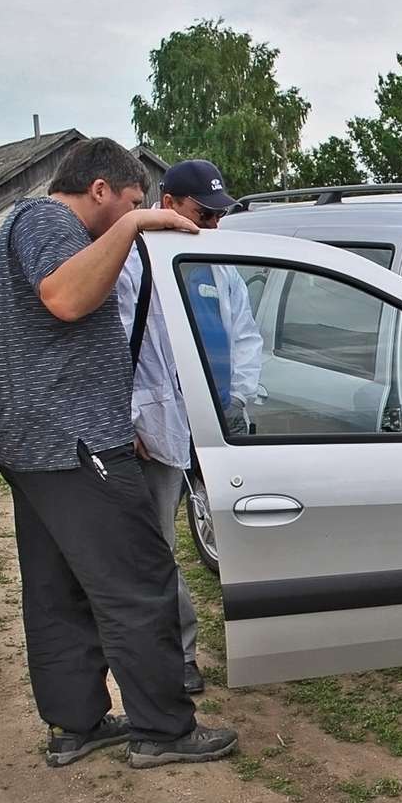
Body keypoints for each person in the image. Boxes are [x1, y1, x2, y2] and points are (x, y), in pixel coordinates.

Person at [0, 138, 239, 768]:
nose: (135, 210)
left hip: (35, 442)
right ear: (99, 190)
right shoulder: (49, 220)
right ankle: (164, 730)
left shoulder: (30, 224)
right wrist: (133, 226)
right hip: (76, 444)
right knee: (139, 583)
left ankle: (77, 725)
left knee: (58, 589)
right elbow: (66, 299)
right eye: (129, 200)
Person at [116, 160, 262, 695]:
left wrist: (239, 400)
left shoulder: (216, 266)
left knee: (242, 532)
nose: (213, 225)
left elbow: (244, 335)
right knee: (157, 546)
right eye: (204, 214)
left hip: (215, 425)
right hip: (152, 428)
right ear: (169, 204)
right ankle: (178, 656)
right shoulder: (132, 264)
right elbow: (118, 347)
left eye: (219, 215)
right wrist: (129, 417)